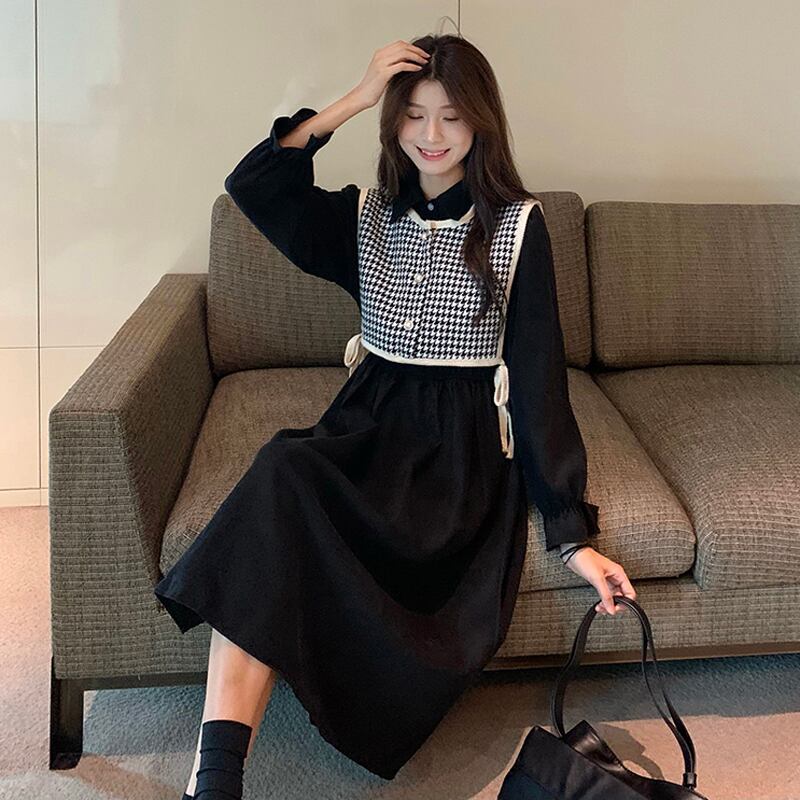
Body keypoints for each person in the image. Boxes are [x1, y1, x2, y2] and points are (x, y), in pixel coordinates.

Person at [154, 34, 637, 799]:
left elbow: (539, 380)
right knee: (282, 472)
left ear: (481, 122)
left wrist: (572, 534)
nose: (432, 134)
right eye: (413, 113)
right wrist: (354, 96)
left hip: (458, 457)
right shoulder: (366, 216)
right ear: (392, 121)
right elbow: (254, 185)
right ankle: (215, 780)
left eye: (451, 115)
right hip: (368, 426)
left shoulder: (518, 226)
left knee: (296, 499)